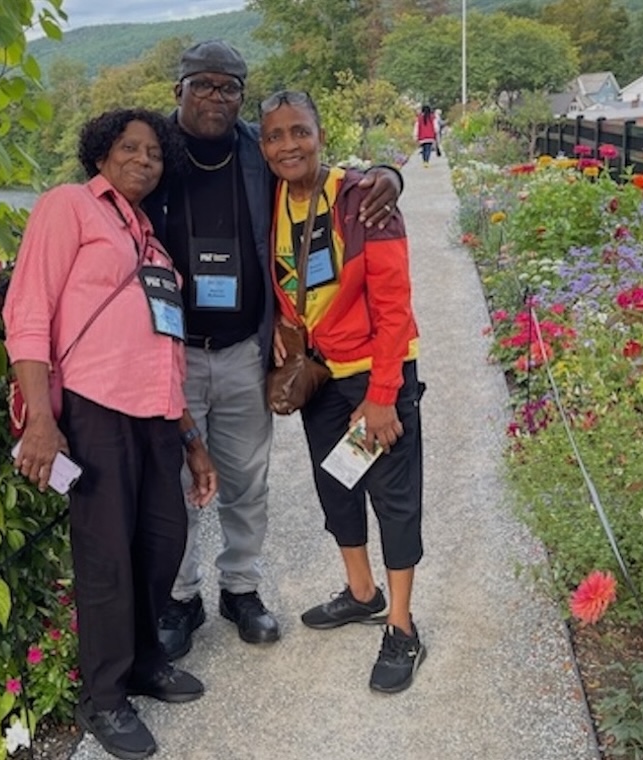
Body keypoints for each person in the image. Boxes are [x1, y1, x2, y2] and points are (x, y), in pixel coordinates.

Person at [144, 40, 405, 661]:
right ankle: (181, 598)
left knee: (245, 480)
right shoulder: (151, 150)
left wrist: (390, 176)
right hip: (170, 352)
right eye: (202, 84)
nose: (215, 96)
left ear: (242, 96)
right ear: (176, 89)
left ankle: (241, 588)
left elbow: (323, 168)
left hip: (242, 349)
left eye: (229, 86)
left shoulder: (257, 151)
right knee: (177, 481)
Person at [5, 108, 219, 760]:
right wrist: (42, 418)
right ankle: (104, 696)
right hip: (94, 409)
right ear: (102, 153)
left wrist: (190, 436)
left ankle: (146, 660)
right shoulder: (68, 206)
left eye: (154, 152)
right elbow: (28, 309)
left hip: (156, 412)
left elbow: (167, 345)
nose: (143, 159)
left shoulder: (151, 235)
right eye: (129, 147)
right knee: (105, 559)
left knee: (163, 540)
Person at [260, 90, 427, 694]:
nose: (288, 146)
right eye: (275, 136)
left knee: (393, 496)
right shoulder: (271, 196)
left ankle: (403, 628)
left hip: (374, 378)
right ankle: (362, 592)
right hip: (323, 379)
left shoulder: (364, 201)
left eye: (298, 132)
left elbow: (393, 304)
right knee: (337, 483)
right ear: (263, 146)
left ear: (320, 132)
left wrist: (382, 394)